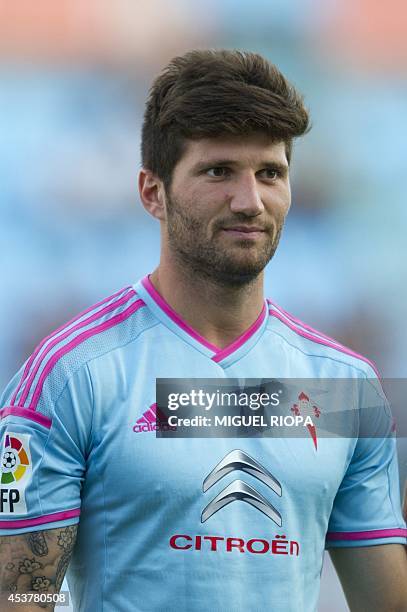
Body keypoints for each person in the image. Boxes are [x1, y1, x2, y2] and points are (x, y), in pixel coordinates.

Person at [0, 49, 406, 612]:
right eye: (218, 172)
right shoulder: (72, 375)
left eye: (270, 173)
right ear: (152, 192)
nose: (250, 201)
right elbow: (19, 597)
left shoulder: (342, 387)